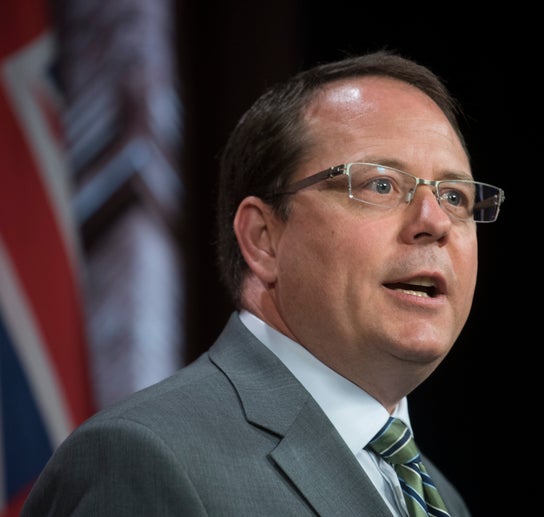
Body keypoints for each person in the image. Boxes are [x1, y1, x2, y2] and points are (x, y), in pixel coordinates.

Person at [21, 49, 505, 516]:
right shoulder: (143, 460)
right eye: (381, 184)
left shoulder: (436, 497)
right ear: (263, 239)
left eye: (456, 197)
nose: (435, 221)